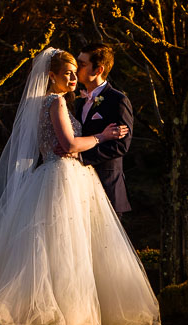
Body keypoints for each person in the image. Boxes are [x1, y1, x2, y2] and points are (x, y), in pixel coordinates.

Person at [0, 48, 160, 325]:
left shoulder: (61, 102)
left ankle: (66, 313)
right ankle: (62, 315)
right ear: (51, 76)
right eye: (68, 72)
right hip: (61, 177)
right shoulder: (55, 101)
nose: (73, 77)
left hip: (68, 177)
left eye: (76, 70)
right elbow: (68, 146)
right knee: (60, 249)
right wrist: (101, 136)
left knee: (63, 250)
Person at [75, 44, 132, 214]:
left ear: (98, 70)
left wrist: (81, 157)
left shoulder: (118, 100)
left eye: (82, 64)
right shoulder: (78, 100)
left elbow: (121, 145)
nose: (76, 68)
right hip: (79, 187)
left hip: (107, 187)